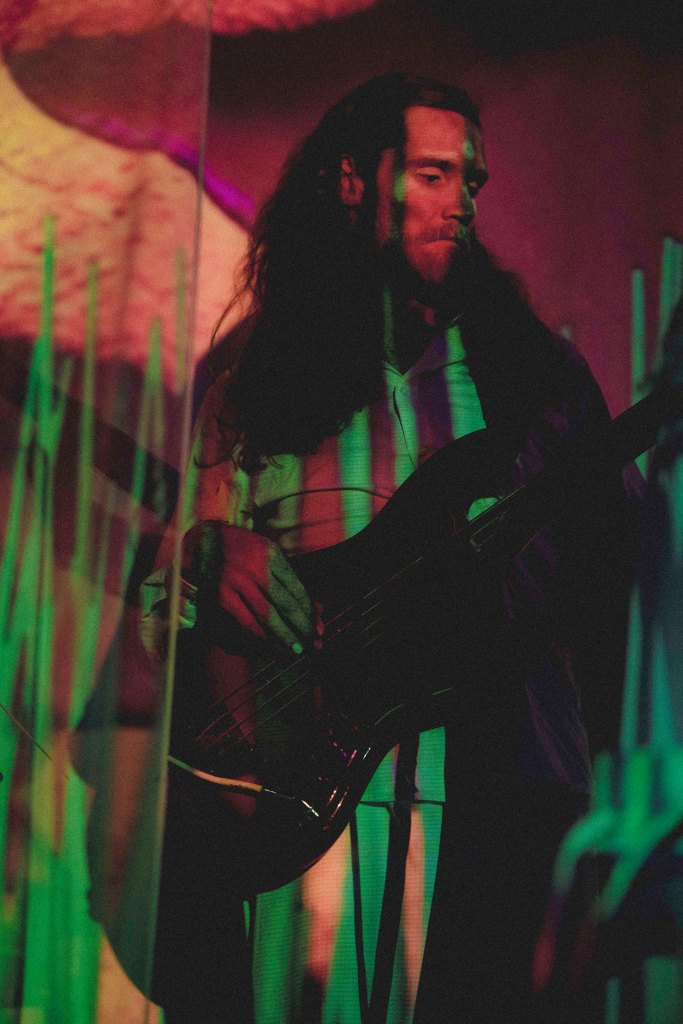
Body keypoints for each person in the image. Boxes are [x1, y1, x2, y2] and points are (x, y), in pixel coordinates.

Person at [141, 73, 640, 1024]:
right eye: (433, 174)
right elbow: (168, 611)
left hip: (503, 789)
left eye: (471, 182)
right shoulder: (255, 382)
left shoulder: (535, 375)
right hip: (311, 807)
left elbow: (615, 578)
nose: (462, 203)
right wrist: (207, 552)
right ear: (351, 182)